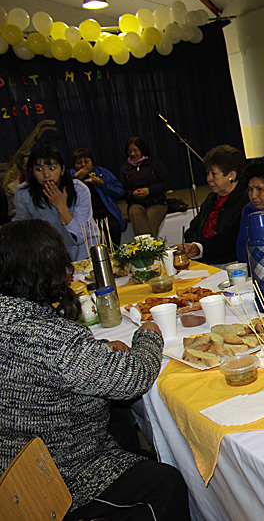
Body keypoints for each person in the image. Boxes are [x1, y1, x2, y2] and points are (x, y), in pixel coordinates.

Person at [0, 219, 190, 520]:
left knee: (122, 425)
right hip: (55, 478)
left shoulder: (11, 317)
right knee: (166, 483)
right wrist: (148, 334)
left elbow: (46, 365)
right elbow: (133, 377)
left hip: (15, 457)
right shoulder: (45, 336)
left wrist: (97, 352)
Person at [13, 144, 96, 261]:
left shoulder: (79, 189)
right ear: (31, 171)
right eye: (39, 169)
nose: (46, 175)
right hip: (49, 253)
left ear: (62, 169)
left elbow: (80, 236)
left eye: (52, 168)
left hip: (84, 250)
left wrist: (61, 207)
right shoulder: (24, 193)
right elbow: (23, 227)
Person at [180, 145, 249, 265]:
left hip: (232, 263)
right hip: (206, 260)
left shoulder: (245, 200)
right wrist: (193, 245)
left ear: (232, 175)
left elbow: (229, 239)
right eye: (208, 173)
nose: (209, 179)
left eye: (214, 174)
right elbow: (193, 229)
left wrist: (199, 248)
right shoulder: (211, 199)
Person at [71, 147, 126, 246]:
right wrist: (76, 179)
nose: (83, 165)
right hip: (84, 217)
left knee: (113, 226)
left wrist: (103, 185)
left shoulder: (102, 173)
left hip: (104, 213)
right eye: (79, 163)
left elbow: (119, 192)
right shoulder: (71, 176)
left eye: (86, 162)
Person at [120, 136, 171, 237]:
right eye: (130, 151)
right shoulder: (125, 169)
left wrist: (149, 190)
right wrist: (132, 194)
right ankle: (150, 244)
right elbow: (121, 191)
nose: (132, 154)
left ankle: (146, 244)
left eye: (135, 150)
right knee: (135, 213)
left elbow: (166, 183)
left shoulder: (155, 163)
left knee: (150, 221)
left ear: (142, 150)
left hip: (156, 202)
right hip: (135, 203)